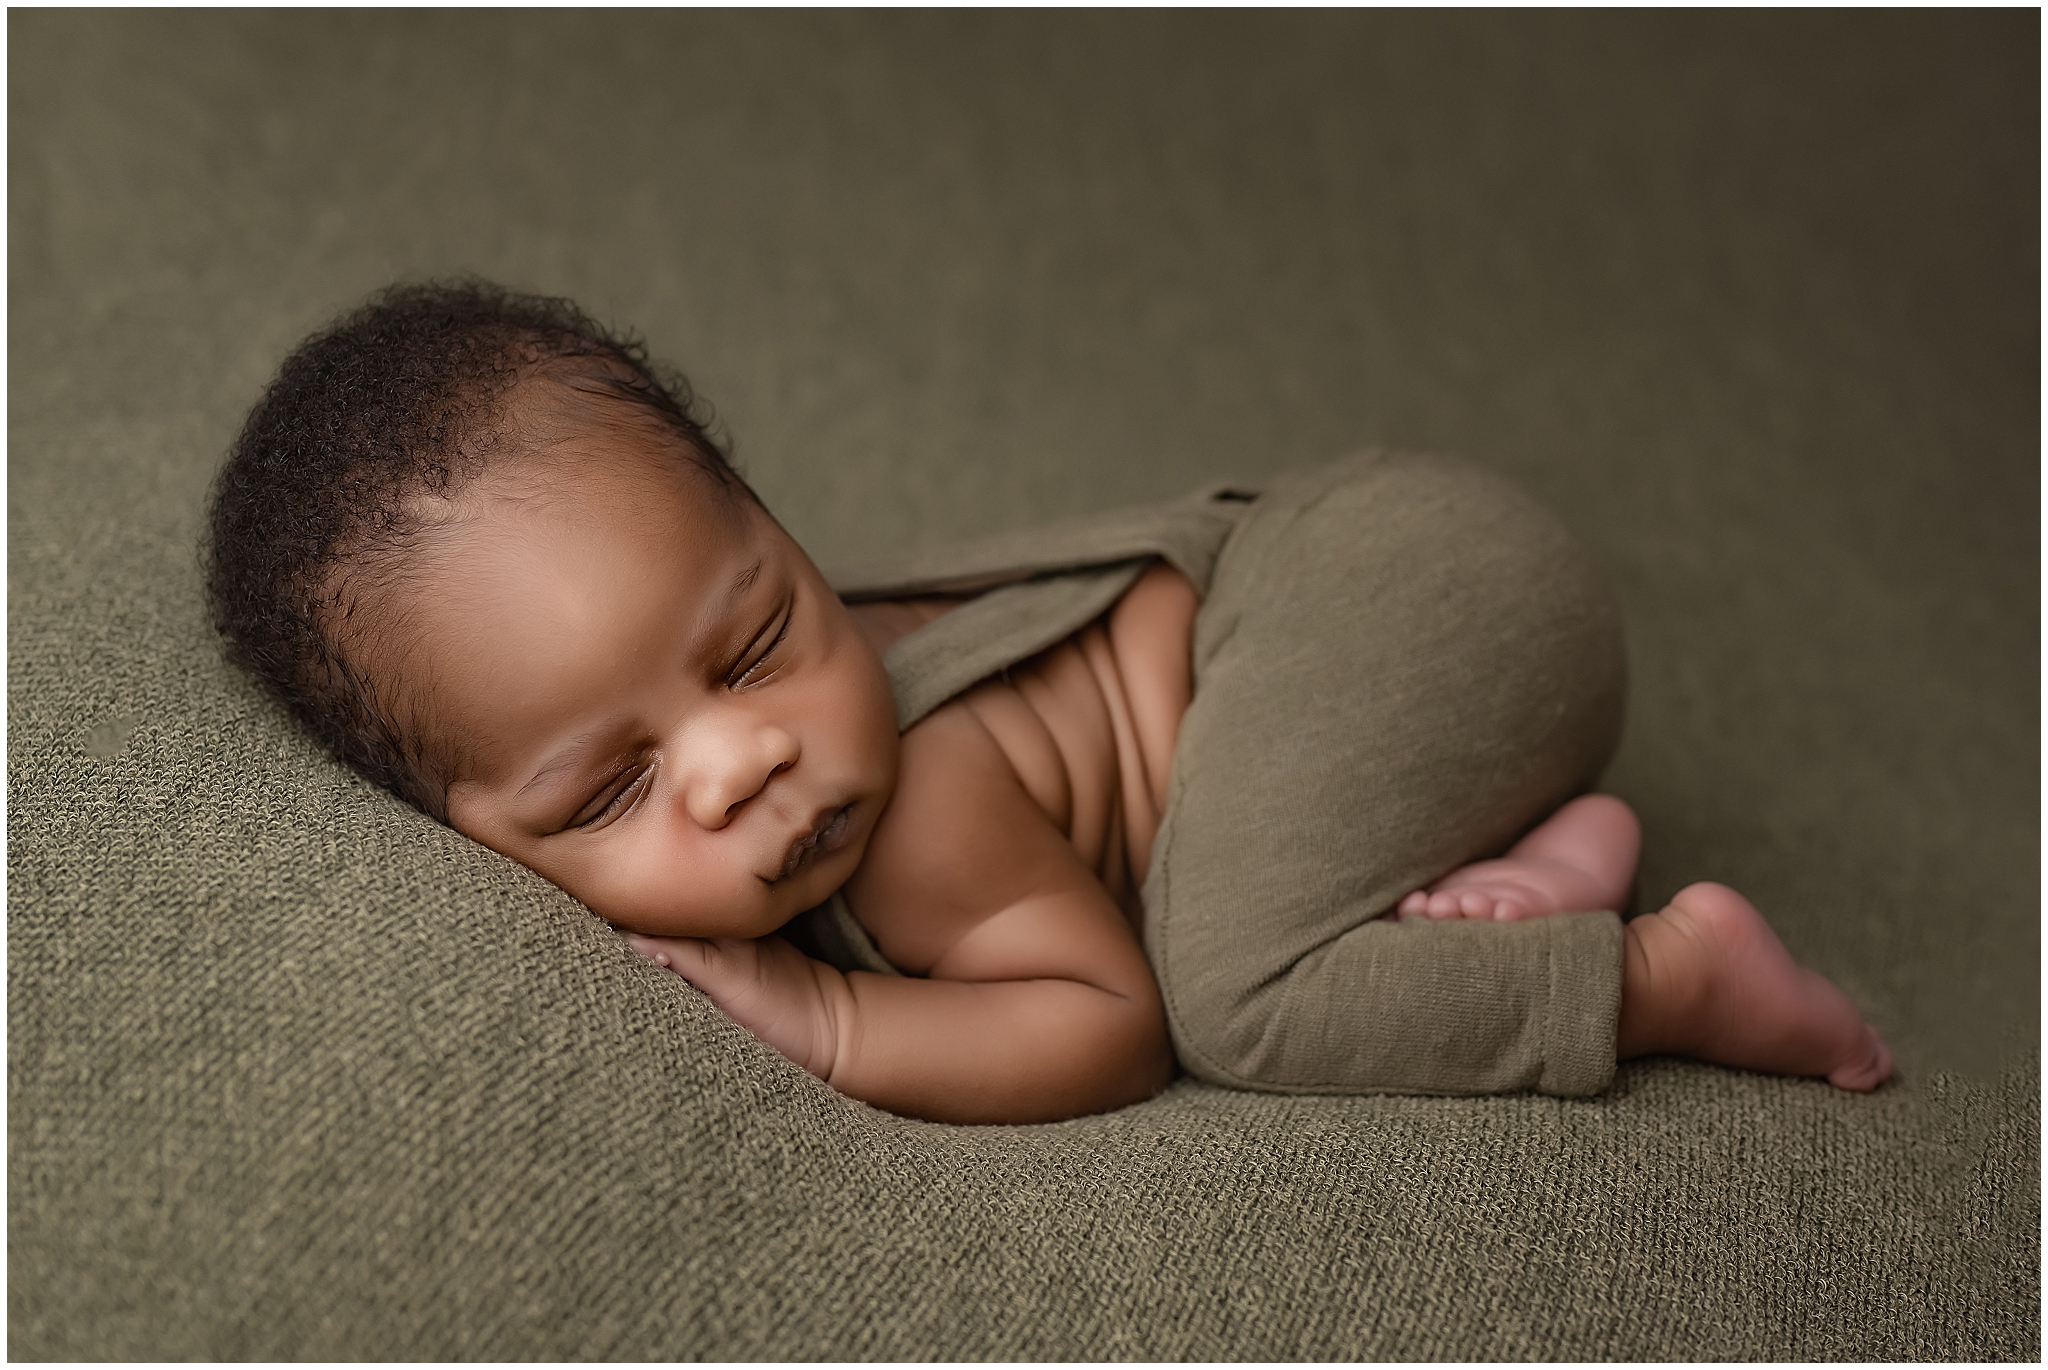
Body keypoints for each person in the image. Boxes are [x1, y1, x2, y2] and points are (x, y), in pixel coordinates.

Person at [206, 280, 1892, 1125]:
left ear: (780, 530)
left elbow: (1107, 1019)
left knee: (1240, 1000)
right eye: (605, 792)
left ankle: (1669, 970)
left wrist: (841, 1024)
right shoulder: (777, 717)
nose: (748, 761)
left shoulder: (915, 809)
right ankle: (1519, 846)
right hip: (1411, 646)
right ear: (461, 832)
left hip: (1414, 595)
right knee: (1264, 846)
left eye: (757, 640)